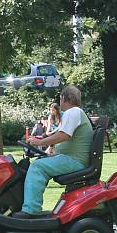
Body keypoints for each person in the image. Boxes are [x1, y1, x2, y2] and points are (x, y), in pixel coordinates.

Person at [13, 85, 93, 218]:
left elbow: (64, 135)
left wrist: (39, 143)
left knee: (37, 167)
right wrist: (42, 139)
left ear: (63, 98)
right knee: (39, 162)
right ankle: (29, 206)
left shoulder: (73, 112)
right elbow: (58, 133)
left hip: (75, 161)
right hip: (72, 159)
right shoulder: (75, 113)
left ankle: (30, 210)